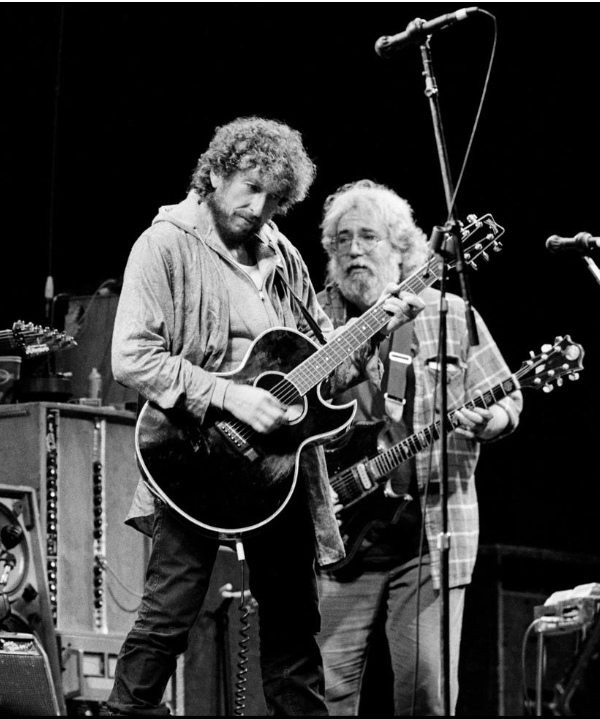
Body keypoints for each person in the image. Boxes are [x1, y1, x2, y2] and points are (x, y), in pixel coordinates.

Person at [106, 118, 424, 716]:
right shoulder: (165, 244)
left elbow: (323, 367)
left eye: (274, 198)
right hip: (193, 457)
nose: (258, 209)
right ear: (215, 174)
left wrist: (377, 328)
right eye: (250, 188)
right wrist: (232, 398)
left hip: (279, 471)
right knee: (169, 615)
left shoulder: (284, 256)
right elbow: (132, 357)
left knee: (294, 632)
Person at [314, 180, 523, 715]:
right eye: (342, 240)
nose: (354, 250)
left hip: (430, 533)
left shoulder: (449, 313)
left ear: (402, 246)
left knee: (427, 694)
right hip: (337, 536)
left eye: (368, 237)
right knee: (324, 695)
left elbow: (507, 395)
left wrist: (491, 421)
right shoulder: (314, 321)